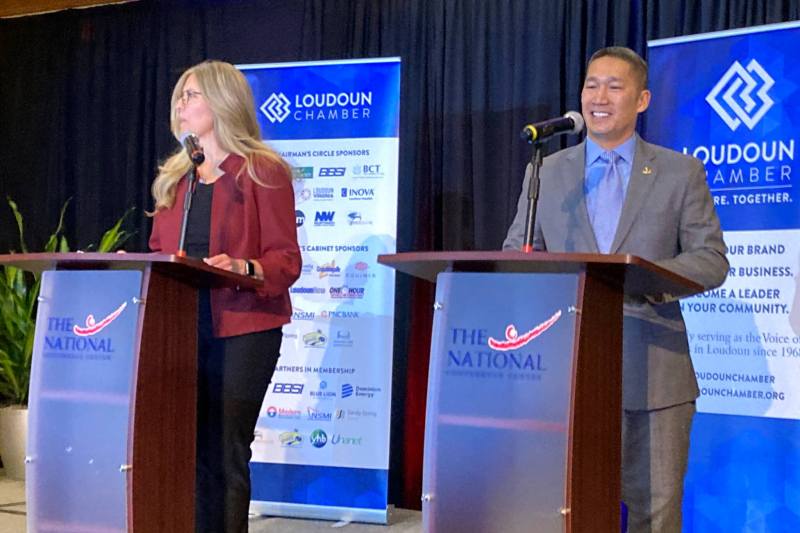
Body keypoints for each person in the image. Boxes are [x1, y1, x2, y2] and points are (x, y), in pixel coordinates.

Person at [503, 47, 728, 532]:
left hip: (655, 373)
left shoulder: (679, 172)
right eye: (591, 85)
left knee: (655, 514)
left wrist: (643, 278)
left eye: (614, 86)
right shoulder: (548, 171)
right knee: (567, 510)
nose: (599, 97)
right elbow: (517, 252)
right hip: (565, 373)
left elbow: (711, 259)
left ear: (642, 100)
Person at [149, 60, 301, 533]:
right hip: (180, 329)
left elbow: (285, 260)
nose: (181, 103)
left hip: (243, 327)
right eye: (179, 95)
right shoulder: (177, 180)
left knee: (225, 450)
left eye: (190, 95)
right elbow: (159, 253)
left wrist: (243, 267)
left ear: (221, 101)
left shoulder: (262, 171)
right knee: (187, 447)